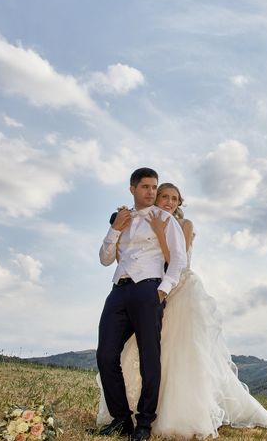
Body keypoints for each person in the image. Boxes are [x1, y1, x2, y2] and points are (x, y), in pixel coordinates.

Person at [97, 182, 267, 437]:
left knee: (177, 356)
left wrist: (158, 233)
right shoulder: (146, 221)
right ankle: (128, 414)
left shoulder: (183, 225)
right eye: (163, 196)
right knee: (141, 353)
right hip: (148, 290)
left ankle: (175, 413)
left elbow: (177, 262)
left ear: (179, 202)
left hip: (178, 291)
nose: (167, 201)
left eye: (173, 198)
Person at [97, 168, 189, 441]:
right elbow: (104, 258)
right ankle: (121, 419)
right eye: (146, 187)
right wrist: (115, 229)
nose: (151, 192)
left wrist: (162, 291)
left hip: (149, 289)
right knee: (105, 354)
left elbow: (179, 260)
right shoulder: (121, 220)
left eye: (154, 187)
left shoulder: (165, 220)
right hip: (119, 290)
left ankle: (145, 423)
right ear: (132, 189)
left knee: (150, 358)